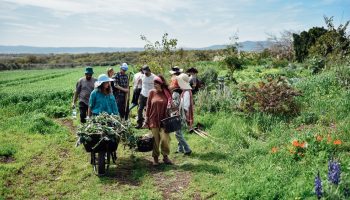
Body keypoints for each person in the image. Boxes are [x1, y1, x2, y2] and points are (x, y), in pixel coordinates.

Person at [145, 75, 173, 165]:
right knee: (155, 140)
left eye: (156, 83)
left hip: (165, 120)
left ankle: (165, 156)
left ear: (161, 84)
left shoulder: (167, 93)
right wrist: (146, 119)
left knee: (165, 139)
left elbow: (172, 105)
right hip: (153, 119)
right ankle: (155, 158)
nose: (154, 85)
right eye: (153, 83)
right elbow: (148, 106)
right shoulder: (151, 93)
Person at [173, 73, 193, 155]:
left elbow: (185, 107)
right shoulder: (185, 91)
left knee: (177, 133)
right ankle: (180, 148)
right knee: (179, 132)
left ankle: (187, 149)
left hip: (182, 115)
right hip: (181, 114)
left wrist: (183, 117)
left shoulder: (187, 93)